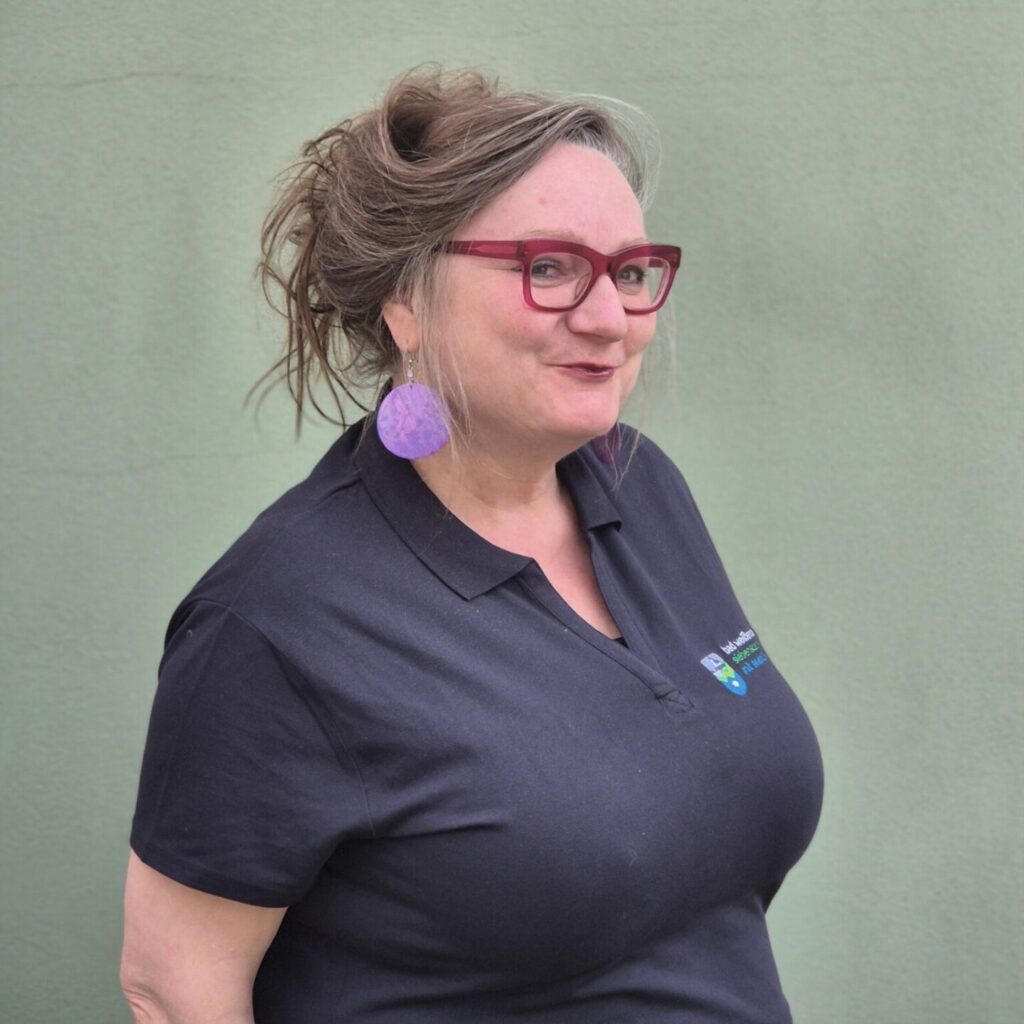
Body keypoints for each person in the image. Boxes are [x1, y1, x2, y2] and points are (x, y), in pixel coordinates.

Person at [120, 67, 823, 1023]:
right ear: (405, 302)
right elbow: (173, 985)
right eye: (549, 267)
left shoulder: (639, 485)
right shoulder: (277, 622)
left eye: (630, 271)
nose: (609, 319)